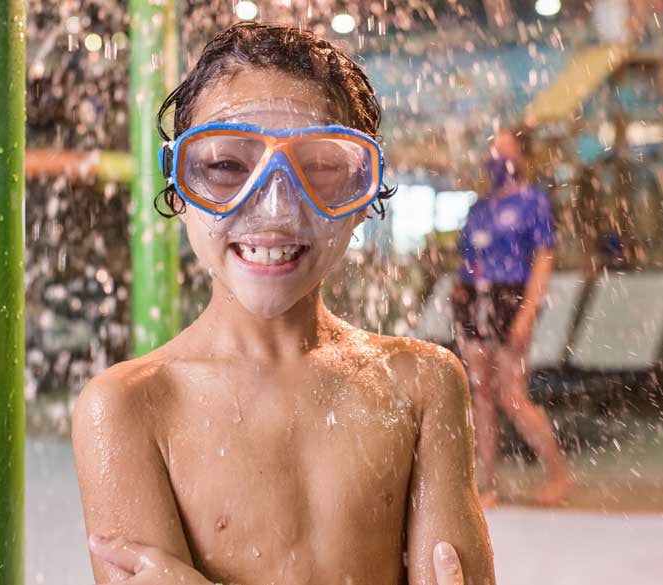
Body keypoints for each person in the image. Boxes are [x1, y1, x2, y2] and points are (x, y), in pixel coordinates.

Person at [72, 22, 496, 585]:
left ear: (363, 192)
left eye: (319, 169)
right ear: (178, 183)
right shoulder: (127, 410)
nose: (274, 210)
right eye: (225, 168)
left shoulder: (422, 385)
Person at [452, 128, 571, 507]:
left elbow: (543, 260)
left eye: (503, 148)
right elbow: (467, 257)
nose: (494, 156)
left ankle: (558, 473)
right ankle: (488, 484)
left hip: (510, 298)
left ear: (521, 155)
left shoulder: (533, 202)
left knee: (512, 395)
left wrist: (528, 311)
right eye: (491, 148)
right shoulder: (479, 207)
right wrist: (460, 294)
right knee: (481, 394)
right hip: (474, 298)